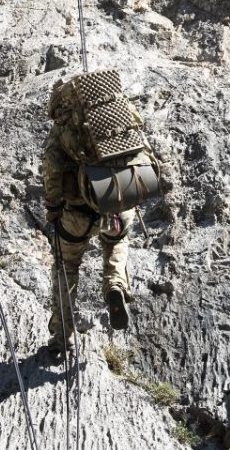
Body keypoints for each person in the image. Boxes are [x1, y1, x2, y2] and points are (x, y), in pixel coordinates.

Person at [41, 74, 159, 347]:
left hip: (78, 215)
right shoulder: (120, 113)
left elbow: (52, 169)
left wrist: (53, 208)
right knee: (116, 244)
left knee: (66, 264)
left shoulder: (64, 128)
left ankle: (63, 331)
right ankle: (115, 284)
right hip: (116, 202)